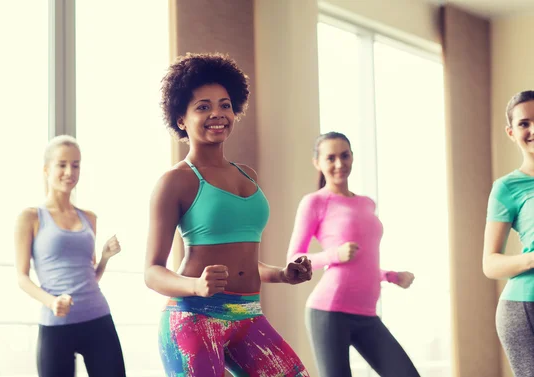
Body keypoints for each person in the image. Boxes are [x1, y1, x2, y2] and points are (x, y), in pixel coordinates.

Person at [144, 52, 312, 377]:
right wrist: (196, 286)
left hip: (248, 316)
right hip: (194, 318)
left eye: (224, 104)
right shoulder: (175, 181)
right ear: (181, 118)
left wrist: (282, 274)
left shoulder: (247, 174)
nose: (217, 114)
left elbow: (241, 259)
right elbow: (152, 272)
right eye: (203, 107)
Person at [286, 131, 420, 377]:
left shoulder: (366, 203)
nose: (340, 164)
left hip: (366, 314)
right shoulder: (314, 202)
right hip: (329, 312)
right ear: (318, 163)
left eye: (345, 155)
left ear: (352, 157)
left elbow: (363, 263)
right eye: (331, 158)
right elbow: (293, 259)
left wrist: (392, 276)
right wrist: (333, 255)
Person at [14, 135, 126, 377]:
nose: (69, 171)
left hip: (98, 317)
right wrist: (51, 302)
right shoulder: (31, 217)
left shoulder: (89, 218)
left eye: (75, 165)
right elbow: (22, 278)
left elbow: (90, 276)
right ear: (46, 169)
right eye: (62, 164)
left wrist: (105, 257)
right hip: (56, 325)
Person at [483, 90, 534, 377]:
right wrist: (531, 259)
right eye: (524, 123)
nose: (533, 129)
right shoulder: (507, 188)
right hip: (526, 307)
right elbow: (490, 264)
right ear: (511, 132)